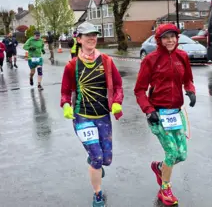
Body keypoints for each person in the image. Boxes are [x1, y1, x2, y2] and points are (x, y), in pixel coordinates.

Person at [60, 22, 124, 207]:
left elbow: (118, 86)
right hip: (82, 116)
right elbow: (65, 92)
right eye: (87, 35)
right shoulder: (72, 65)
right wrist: (66, 105)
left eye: (94, 35)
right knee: (97, 159)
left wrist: (117, 102)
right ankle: (97, 194)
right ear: (79, 39)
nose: (92, 38)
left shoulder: (106, 61)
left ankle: (93, 160)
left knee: (107, 160)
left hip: (103, 115)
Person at [134, 23, 196, 206]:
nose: (170, 40)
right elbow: (139, 90)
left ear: (177, 38)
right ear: (159, 40)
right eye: (166, 37)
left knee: (181, 155)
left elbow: (188, 80)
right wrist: (148, 109)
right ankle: (165, 190)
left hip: (176, 113)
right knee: (171, 152)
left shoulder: (182, 56)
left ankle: (160, 168)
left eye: (173, 37)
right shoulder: (151, 60)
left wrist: (191, 91)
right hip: (158, 114)